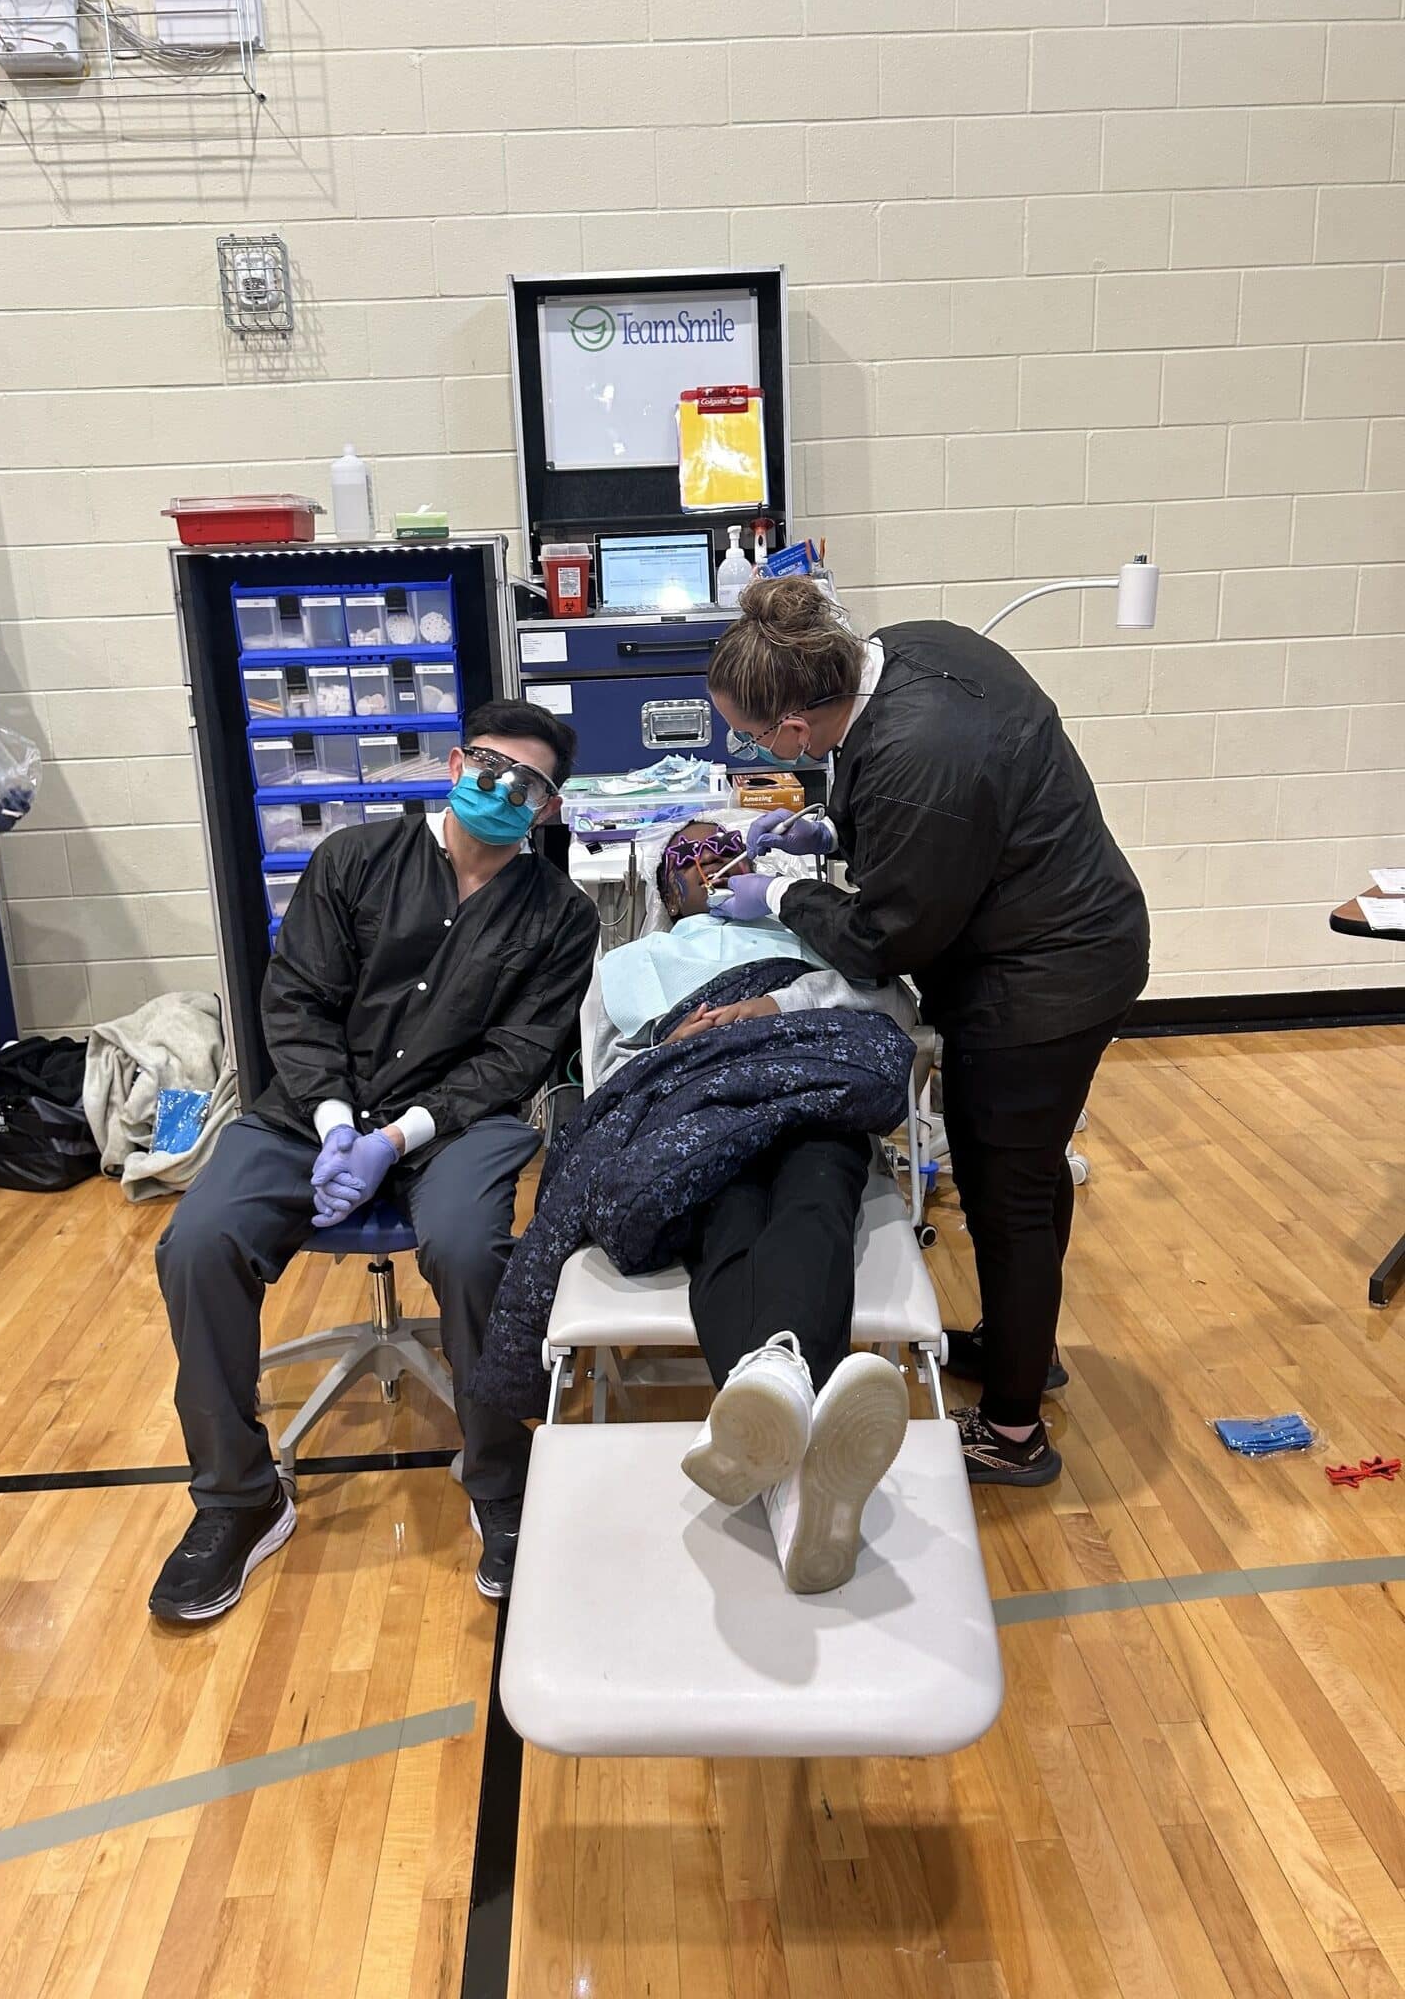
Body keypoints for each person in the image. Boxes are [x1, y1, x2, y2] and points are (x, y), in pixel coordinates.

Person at [148, 701, 599, 1622]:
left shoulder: (561, 918)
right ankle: (239, 1499)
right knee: (196, 1243)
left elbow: (514, 1058)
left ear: (549, 809)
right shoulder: (353, 861)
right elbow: (299, 1002)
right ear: (452, 764)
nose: (501, 789)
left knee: (474, 1250)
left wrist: (398, 1137)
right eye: (487, 766)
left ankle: (500, 1481)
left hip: (458, 1126)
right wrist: (333, 1122)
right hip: (309, 1117)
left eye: (528, 783)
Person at [707, 578, 1150, 1489]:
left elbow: (888, 941)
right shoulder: (915, 646)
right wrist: (832, 831)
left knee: (1008, 1191)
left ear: (797, 724)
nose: (752, 750)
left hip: (1045, 981)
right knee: (1021, 1173)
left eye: (754, 738)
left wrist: (789, 891)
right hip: (1062, 938)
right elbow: (935, 818)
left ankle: (1016, 1433)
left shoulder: (925, 747)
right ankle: (1021, 1348)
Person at [578, 818, 912, 1593]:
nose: (715, 860)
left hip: (806, 1087)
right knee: (727, 1215)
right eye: (690, 855)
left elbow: (888, 1010)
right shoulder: (630, 964)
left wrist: (778, 1008)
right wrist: (676, 1047)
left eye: (727, 846)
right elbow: (604, 1081)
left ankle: (772, 1390)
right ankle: (794, 1475)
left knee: (817, 1193)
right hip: (698, 1112)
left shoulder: (807, 933)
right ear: (669, 887)